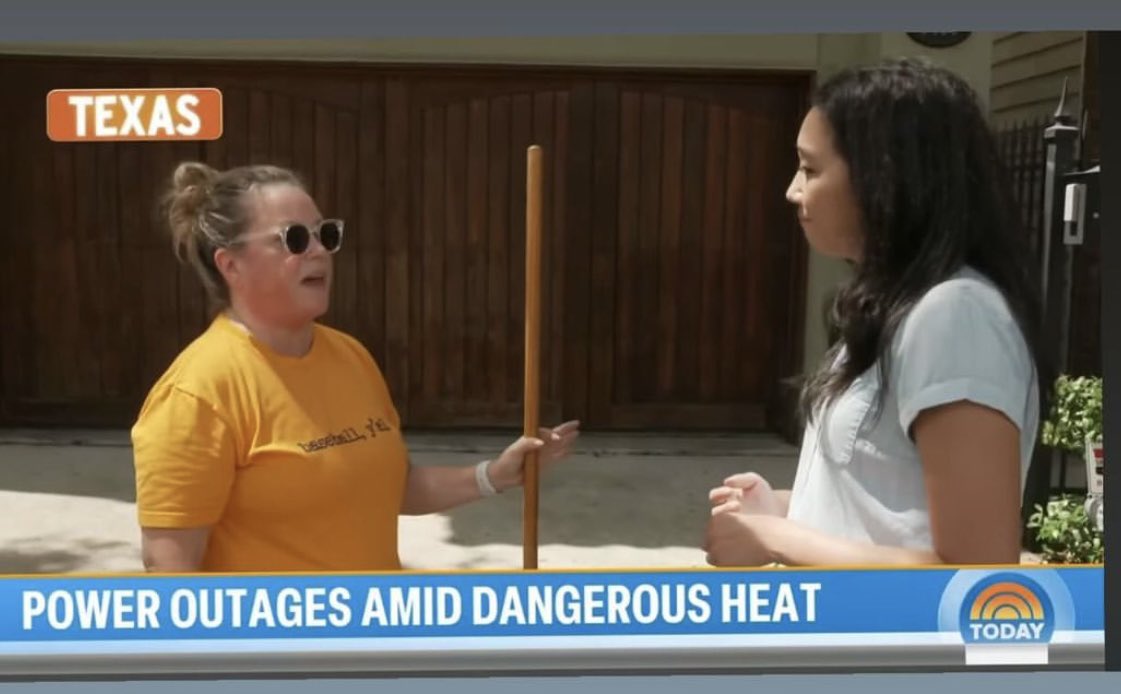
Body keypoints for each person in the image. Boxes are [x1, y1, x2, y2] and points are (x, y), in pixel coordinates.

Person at [131, 161, 580, 573]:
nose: (319, 252)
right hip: (278, 656)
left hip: (374, 647)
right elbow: (171, 576)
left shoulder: (350, 355)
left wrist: (494, 476)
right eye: (294, 239)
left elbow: (387, 487)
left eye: (325, 235)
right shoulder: (197, 394)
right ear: (230, 265)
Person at [704, 58, 1050, 567]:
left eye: (810, 168)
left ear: (883, 178)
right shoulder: (899, 307)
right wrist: (782, 509)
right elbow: (887, 509)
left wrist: (776, 540)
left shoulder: (957, 317)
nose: (793, 190)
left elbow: (977, 571)